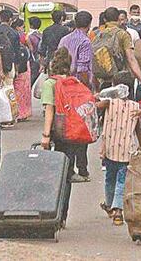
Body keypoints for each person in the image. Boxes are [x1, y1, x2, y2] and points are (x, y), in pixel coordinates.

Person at [40, 47, 90, 182]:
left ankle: (66, 173)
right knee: (73, 147)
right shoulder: (74, 82)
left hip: (59, 126)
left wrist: (46, 135)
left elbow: (50, 109)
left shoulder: (50, 83)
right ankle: (81, 171)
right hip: (74, 123)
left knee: (61, 151)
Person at [96, 78, 141, 226]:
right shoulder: (135, 106)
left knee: (110, 178)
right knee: (122, 180)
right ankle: (116, 209)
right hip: (127, 150)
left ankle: (112, 207)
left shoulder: (109, 103)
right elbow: (138, 129)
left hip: (111, 148)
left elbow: (97, 103)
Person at [59, 11, 95, 87]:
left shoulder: (64, 39)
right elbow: (82, 69)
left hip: (63, 82)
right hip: (77, 84)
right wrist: (87, 86)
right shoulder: (85, 41)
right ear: (89, 24)